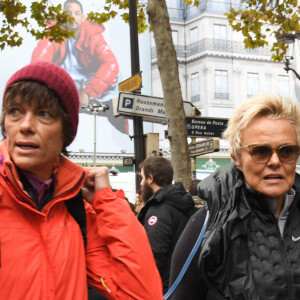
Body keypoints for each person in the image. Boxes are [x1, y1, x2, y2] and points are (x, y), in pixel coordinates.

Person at [0, 61, 163, 300]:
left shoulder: (76, 210)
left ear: (66, 132)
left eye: (43, 114)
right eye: (15, 111)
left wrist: (107, 201)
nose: (25, 125)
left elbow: (142, 294)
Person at [168, 94, 300, 300]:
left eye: (287, 151)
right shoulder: (207, 225)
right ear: (236, 157)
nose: (275, 161)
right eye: (260, 151)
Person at [31, 0, 128, 134]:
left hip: (95, 87)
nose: (72, 17)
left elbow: (110, 64)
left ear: (82, 18)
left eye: (77, 13)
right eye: (68, 13)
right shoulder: (53, 33)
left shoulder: (93, 36)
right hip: (67, 87)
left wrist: (88, 92)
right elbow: (39, 63)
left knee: (118, 123)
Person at [137, 156, 196, 294]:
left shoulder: (159, 210)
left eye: (142, 178)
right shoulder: (178, 203)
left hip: (163, 289)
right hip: (180, 286)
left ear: (150, 178)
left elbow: (154, 256)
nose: (141, 183)